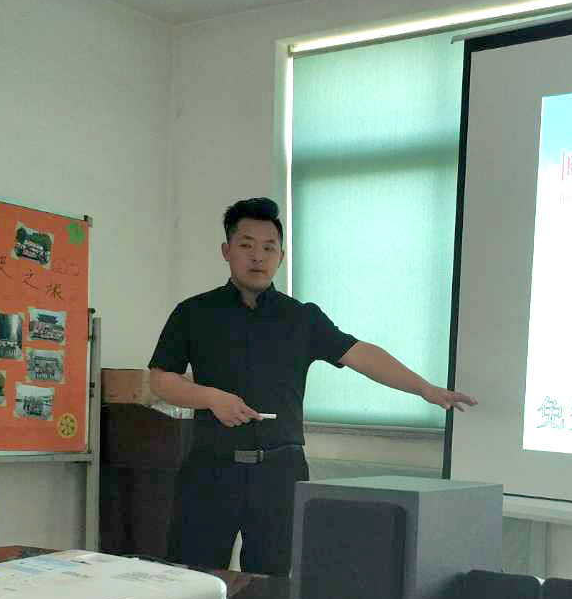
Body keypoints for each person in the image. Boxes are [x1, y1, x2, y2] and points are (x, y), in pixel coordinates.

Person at [149, 197, 476, 576]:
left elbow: (360, 353)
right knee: (191, 578)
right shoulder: (194, 312)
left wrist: (424, 389)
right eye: (246, 245)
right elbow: (161, 379)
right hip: (211, 468)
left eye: (269, 248)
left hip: (279, 473)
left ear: (281, 256)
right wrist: (210, 398)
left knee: (274, 584)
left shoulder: (301, 317)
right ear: (226, 251)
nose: (258, 257)